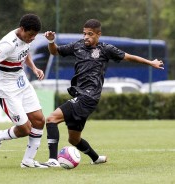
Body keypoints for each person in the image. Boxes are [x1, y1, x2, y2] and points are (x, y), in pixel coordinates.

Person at [43, 19, 164, 167]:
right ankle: (96, 158)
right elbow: (55, 52)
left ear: (98, 35)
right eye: (84, 33)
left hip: (88, 97)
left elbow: (129, 57)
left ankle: (53, 160)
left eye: (90, 34)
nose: (86, 37)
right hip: (81, 96)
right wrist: (51, 41)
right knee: (73, 139)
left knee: (51, 119)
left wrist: (151, 63)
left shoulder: (105, 49)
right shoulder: (77, 46)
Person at [0, 14, 48, 168]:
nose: (32, 39)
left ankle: (28, 161)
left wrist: (34, 68)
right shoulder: (8, 44)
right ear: (22, 29)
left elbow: (25, 52)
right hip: (7, 90)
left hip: (22, 84)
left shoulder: (25, 39)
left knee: (39, 120)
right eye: (30, 35)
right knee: (25, 129)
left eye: (34, 36)